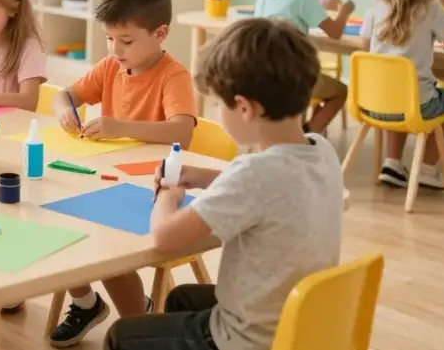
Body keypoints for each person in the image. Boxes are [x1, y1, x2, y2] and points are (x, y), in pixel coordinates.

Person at [105, 18, 344, 350]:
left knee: (121, 336)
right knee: (181, 298)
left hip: (249, 338)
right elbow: (274, 188)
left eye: (219, 104)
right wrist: (206, 177)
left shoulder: (254, 175)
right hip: (299, 318)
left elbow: (164, 238)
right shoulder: (321, 150)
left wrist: (169, 196)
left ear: (244, 107)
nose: (218, 112)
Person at [48, 0, 197, 348]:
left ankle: (141, 320)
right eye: (110, 38)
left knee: (104, 247)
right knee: (50, 220)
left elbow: (182, 131)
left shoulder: (173, 76)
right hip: (106, 178)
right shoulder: (111, 67)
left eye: (126, 40)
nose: (115, 49)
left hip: (152, 191)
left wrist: (120, 127)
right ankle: (86, 303)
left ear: (160, 34)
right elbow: (63, 94)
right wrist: (65, 108)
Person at [360, 0, 444, 190]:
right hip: (415, 105)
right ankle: (426, 168)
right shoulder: (433, 8)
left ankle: (392, 163)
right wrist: (443, 3)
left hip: (372, 104)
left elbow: (363, 49)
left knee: (400, 91)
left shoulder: (375, 8)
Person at [254, 0, 354, 134]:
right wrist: (345, 12)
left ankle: (299, 131)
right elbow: (334, 33)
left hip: (264, 75)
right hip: (295, 78)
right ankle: (309, 134)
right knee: (341, 91)